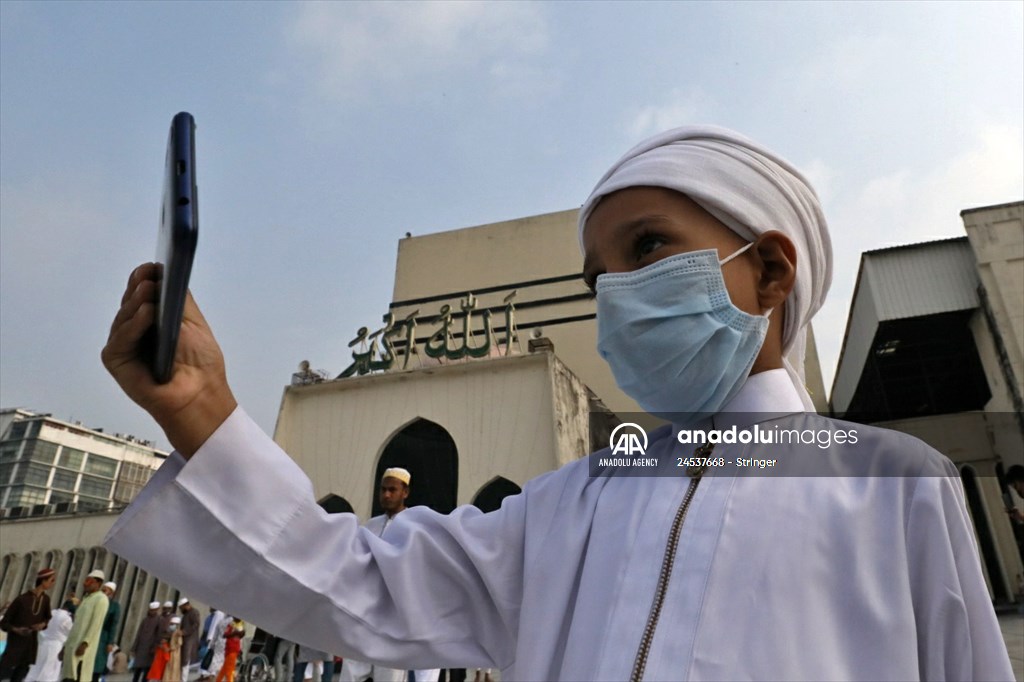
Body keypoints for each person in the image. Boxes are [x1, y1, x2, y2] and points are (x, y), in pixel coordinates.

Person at [101, 125, 1014, 680]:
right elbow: (356, 583)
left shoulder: (891, 483)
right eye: (597, 277)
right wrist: (200, 411)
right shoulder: (581, 496)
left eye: (647, 246)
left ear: (771, 270)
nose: (615, 293)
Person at [340, 468, 438, 682]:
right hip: (366, 614)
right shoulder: (371, 526)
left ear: (405, 492)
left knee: (389, 676)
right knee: (351, 672)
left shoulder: (416, 526)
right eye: (383, 490)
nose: (386, 495)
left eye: (392, 490)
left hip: (396, 618)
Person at [0, 568, 55, 682]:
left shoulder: (46, 600)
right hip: (14, 647)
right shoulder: (22, 600)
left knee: (20, 676)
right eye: (51, 580)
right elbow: (4, 623)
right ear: (43, 581)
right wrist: (17, 630)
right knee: (3, 674)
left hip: (30, 646)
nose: (52, 583)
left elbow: (47, 618)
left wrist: (42, 625)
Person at [60, 569, 109, 682]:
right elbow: (76, 625)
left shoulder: (101, 599)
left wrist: (85, 643)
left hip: (83, 648)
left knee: (78, 676)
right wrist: (65, 646)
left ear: (98, 583)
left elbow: (96, 624)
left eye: (89, 582)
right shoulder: (86, 599)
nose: (85, 584)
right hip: (72, 645)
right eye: (85, 581)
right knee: (68, 677)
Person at [24, 606, 73, 682]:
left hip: (43, 643)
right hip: (56, 646)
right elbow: (71, 632)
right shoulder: (67, 618)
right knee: (51, 670)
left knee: (37, 667)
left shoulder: (51, 612)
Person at [93, 582, 121, 682]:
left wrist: (110, 642)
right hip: (91, 635)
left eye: (106, 589)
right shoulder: (95, 601)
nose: (104, 591)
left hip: (102, 638)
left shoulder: (114, 606)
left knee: (97, 664)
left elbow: (113, 625)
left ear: (111, 593)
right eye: (103, 588)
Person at [131, 602, 164, 682]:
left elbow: (159, 635)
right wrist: (134, 647)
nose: (151, 612)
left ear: (157, 610)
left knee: (147, 670)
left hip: (150, 649)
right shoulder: (145, 620)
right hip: (141, 647)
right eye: (151, 610)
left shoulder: (159, 620)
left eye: (153, 610)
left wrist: (154, 647)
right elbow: (139, 634)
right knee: (137, 668)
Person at [177, 599, 200, 682]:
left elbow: (195, 625)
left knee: (186, 661)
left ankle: (184, 680)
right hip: (185, 640)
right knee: (183, 661)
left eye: (181, 608)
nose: (181, 610)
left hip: (190, 641)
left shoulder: (194, 612)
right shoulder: (186, 614)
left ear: (185, 606)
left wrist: (184, 632)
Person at [163, 617, 183, 682]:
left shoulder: (178, 633)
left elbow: (179, 643)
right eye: (171, 624)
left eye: (173, 624)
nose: (171, 625)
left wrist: (171, 648)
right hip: (172, 652)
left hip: (175, 653)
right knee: (169, 667)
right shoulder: (174, 632)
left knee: (173, 668)